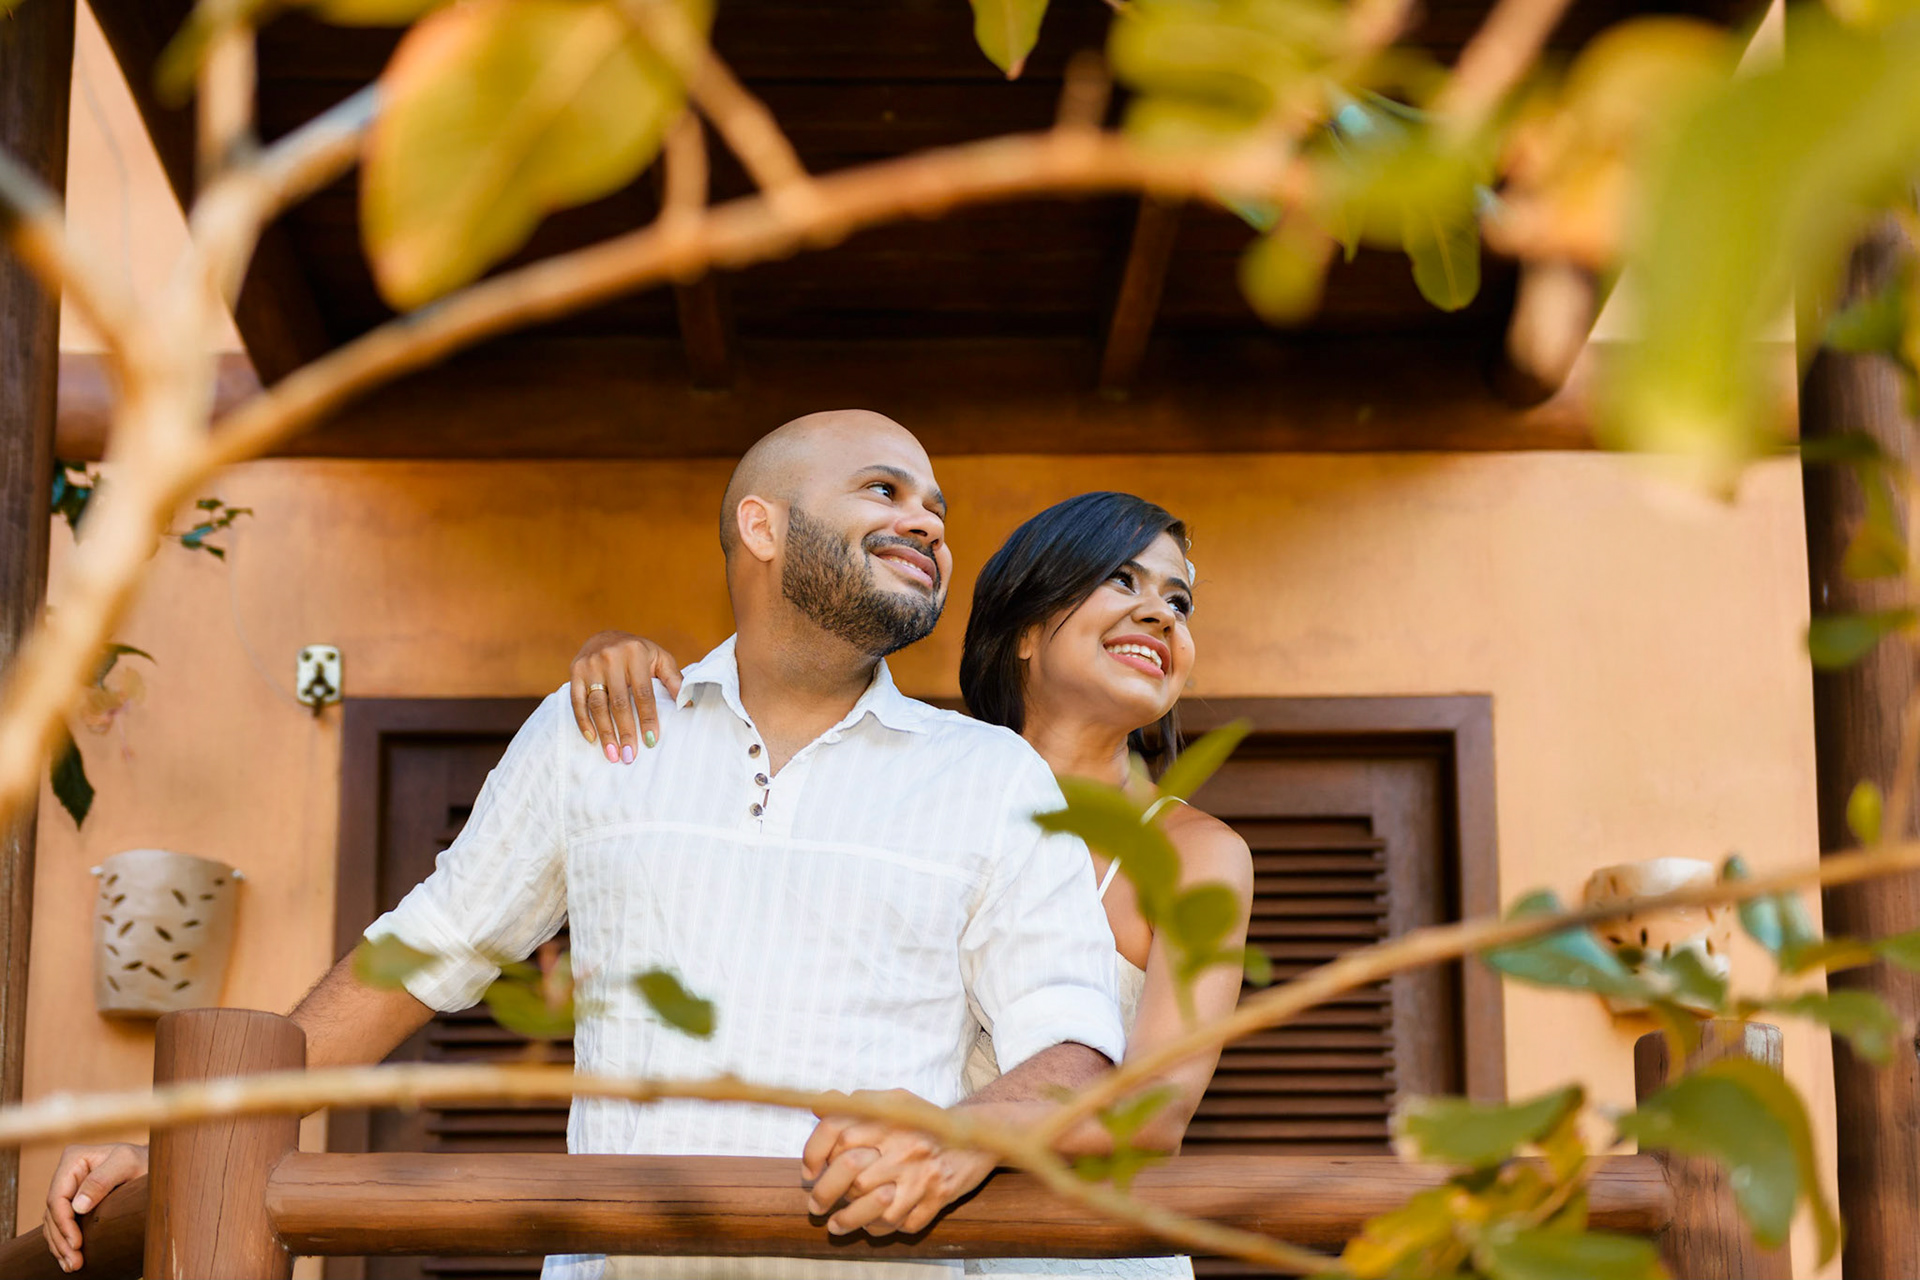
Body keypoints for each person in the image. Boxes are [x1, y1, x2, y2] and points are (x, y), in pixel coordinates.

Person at [42, 410, 1127, 1280]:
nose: (931, 522)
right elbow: (424, 949)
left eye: (939, 506)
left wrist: (963, 1134)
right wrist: (182, 1142)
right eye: (885, 490)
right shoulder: (595, 730)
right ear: (761, 525)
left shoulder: (991, 776)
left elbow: (1074, 1042)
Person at [569, 491, 1255, 1279]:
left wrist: (966, 1135)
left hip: (1079, 1258)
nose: (1162, 616)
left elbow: (1155, 1113)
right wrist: (612, 656)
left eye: (1180, 600)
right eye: (1124, 582)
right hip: (889, 1251)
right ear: (1025, 629)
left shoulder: (1198, 854)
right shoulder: (911, 784)